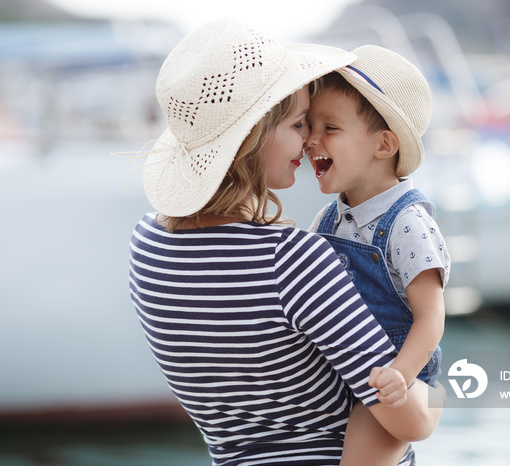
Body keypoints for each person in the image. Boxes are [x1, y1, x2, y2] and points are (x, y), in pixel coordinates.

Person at [126, 20, 440, 465]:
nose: (309, 139)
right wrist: (439, 391)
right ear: (253, 136)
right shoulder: (292, 260)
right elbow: (406, 422)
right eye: (299, 123)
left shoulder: (148, 245)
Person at [306, 45, 450, 464]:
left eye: (330, 128)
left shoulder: (407, 224)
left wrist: (400, 377)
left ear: (384, 144)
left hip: (393, 380)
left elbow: (431, 316)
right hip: (344, 373)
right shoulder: (327, 220)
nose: (312, 139)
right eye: (310, 126)